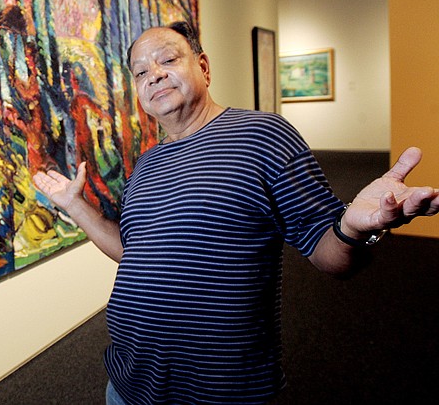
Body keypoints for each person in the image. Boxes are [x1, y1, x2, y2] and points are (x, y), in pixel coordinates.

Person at [32, 21, 439, 405]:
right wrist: (75, 205)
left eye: (168, 60)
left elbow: (329, 255)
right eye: (140, 72)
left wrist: (351, 225)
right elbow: (133, 253)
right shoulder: (146, 165)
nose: (153, 74)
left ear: (203, 67)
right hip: (128, 381)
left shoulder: (262, 135)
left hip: (218, 390)